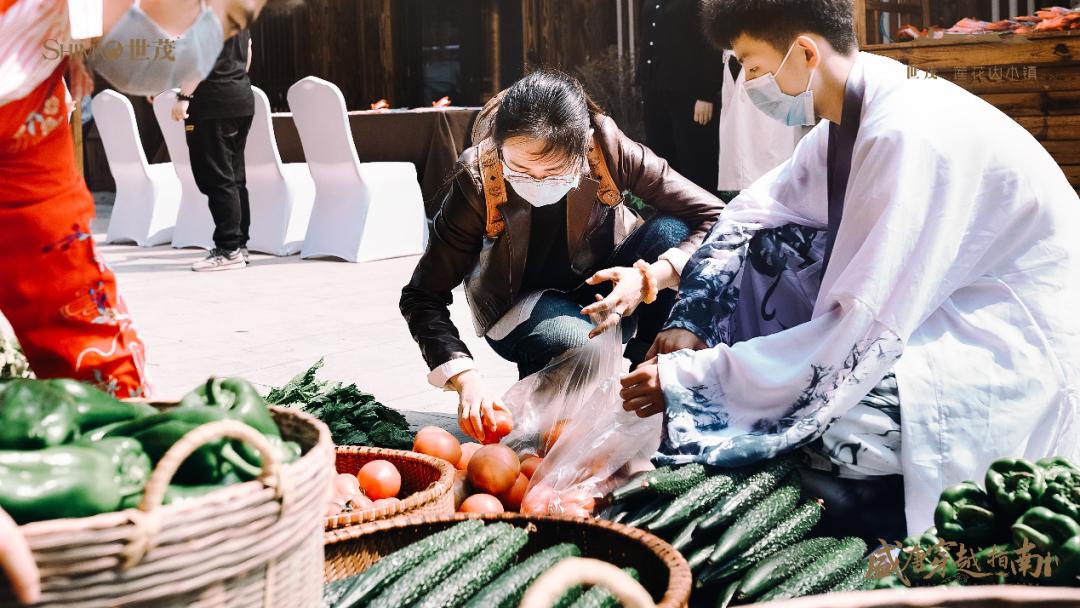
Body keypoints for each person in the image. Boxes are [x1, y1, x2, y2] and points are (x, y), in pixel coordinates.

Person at [620, 0, 1080, 545]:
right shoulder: (857, 107)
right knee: (766, 251)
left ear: (806, 52)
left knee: (834, 428)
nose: (747, 85)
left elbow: (859, 330)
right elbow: (752, 213)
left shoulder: (902, 134)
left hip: (1006, 342)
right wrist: (692, 322)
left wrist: (695, 379)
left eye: (754, 65)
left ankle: (870, 518)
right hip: (935, 307)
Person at [0, 0, 294, 598]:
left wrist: (135, 432)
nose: (204, 49)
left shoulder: (37, 60)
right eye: (222, 19)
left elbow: (59, 274)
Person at [401, 70, 724, 443]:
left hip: (606, 287)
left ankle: (644, 382)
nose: (536, 181)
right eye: (519, 169)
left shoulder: (604, 144)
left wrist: (651, 276)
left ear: (583, 146)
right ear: (499, 146)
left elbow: (715, 216)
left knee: (672, 234)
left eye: (553, 170)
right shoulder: (477, 178)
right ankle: (547, 399)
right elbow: (422, 296)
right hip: (520, 305)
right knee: (575, 342)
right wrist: (465, 379)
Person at [171, 28, 255, 271]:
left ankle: (228, 250)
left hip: (212, 104)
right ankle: (239, 245)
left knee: (217, 177)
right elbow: (247, 54)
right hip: (240, 97)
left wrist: (184, 96)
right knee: (235, 178)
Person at [638, 0, 725, 194]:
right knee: (662, 159)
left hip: (690, 94)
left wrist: (706, 94)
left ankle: (705, 218)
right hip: (655, 89)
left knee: (695, 160)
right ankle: (671, 218)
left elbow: (712, 45)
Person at [716, 49, 809, 203]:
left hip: (769, 71)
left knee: (773, 143)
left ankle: (778, 196)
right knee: (746, 143)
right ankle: (753, 198)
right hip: (747, 71)